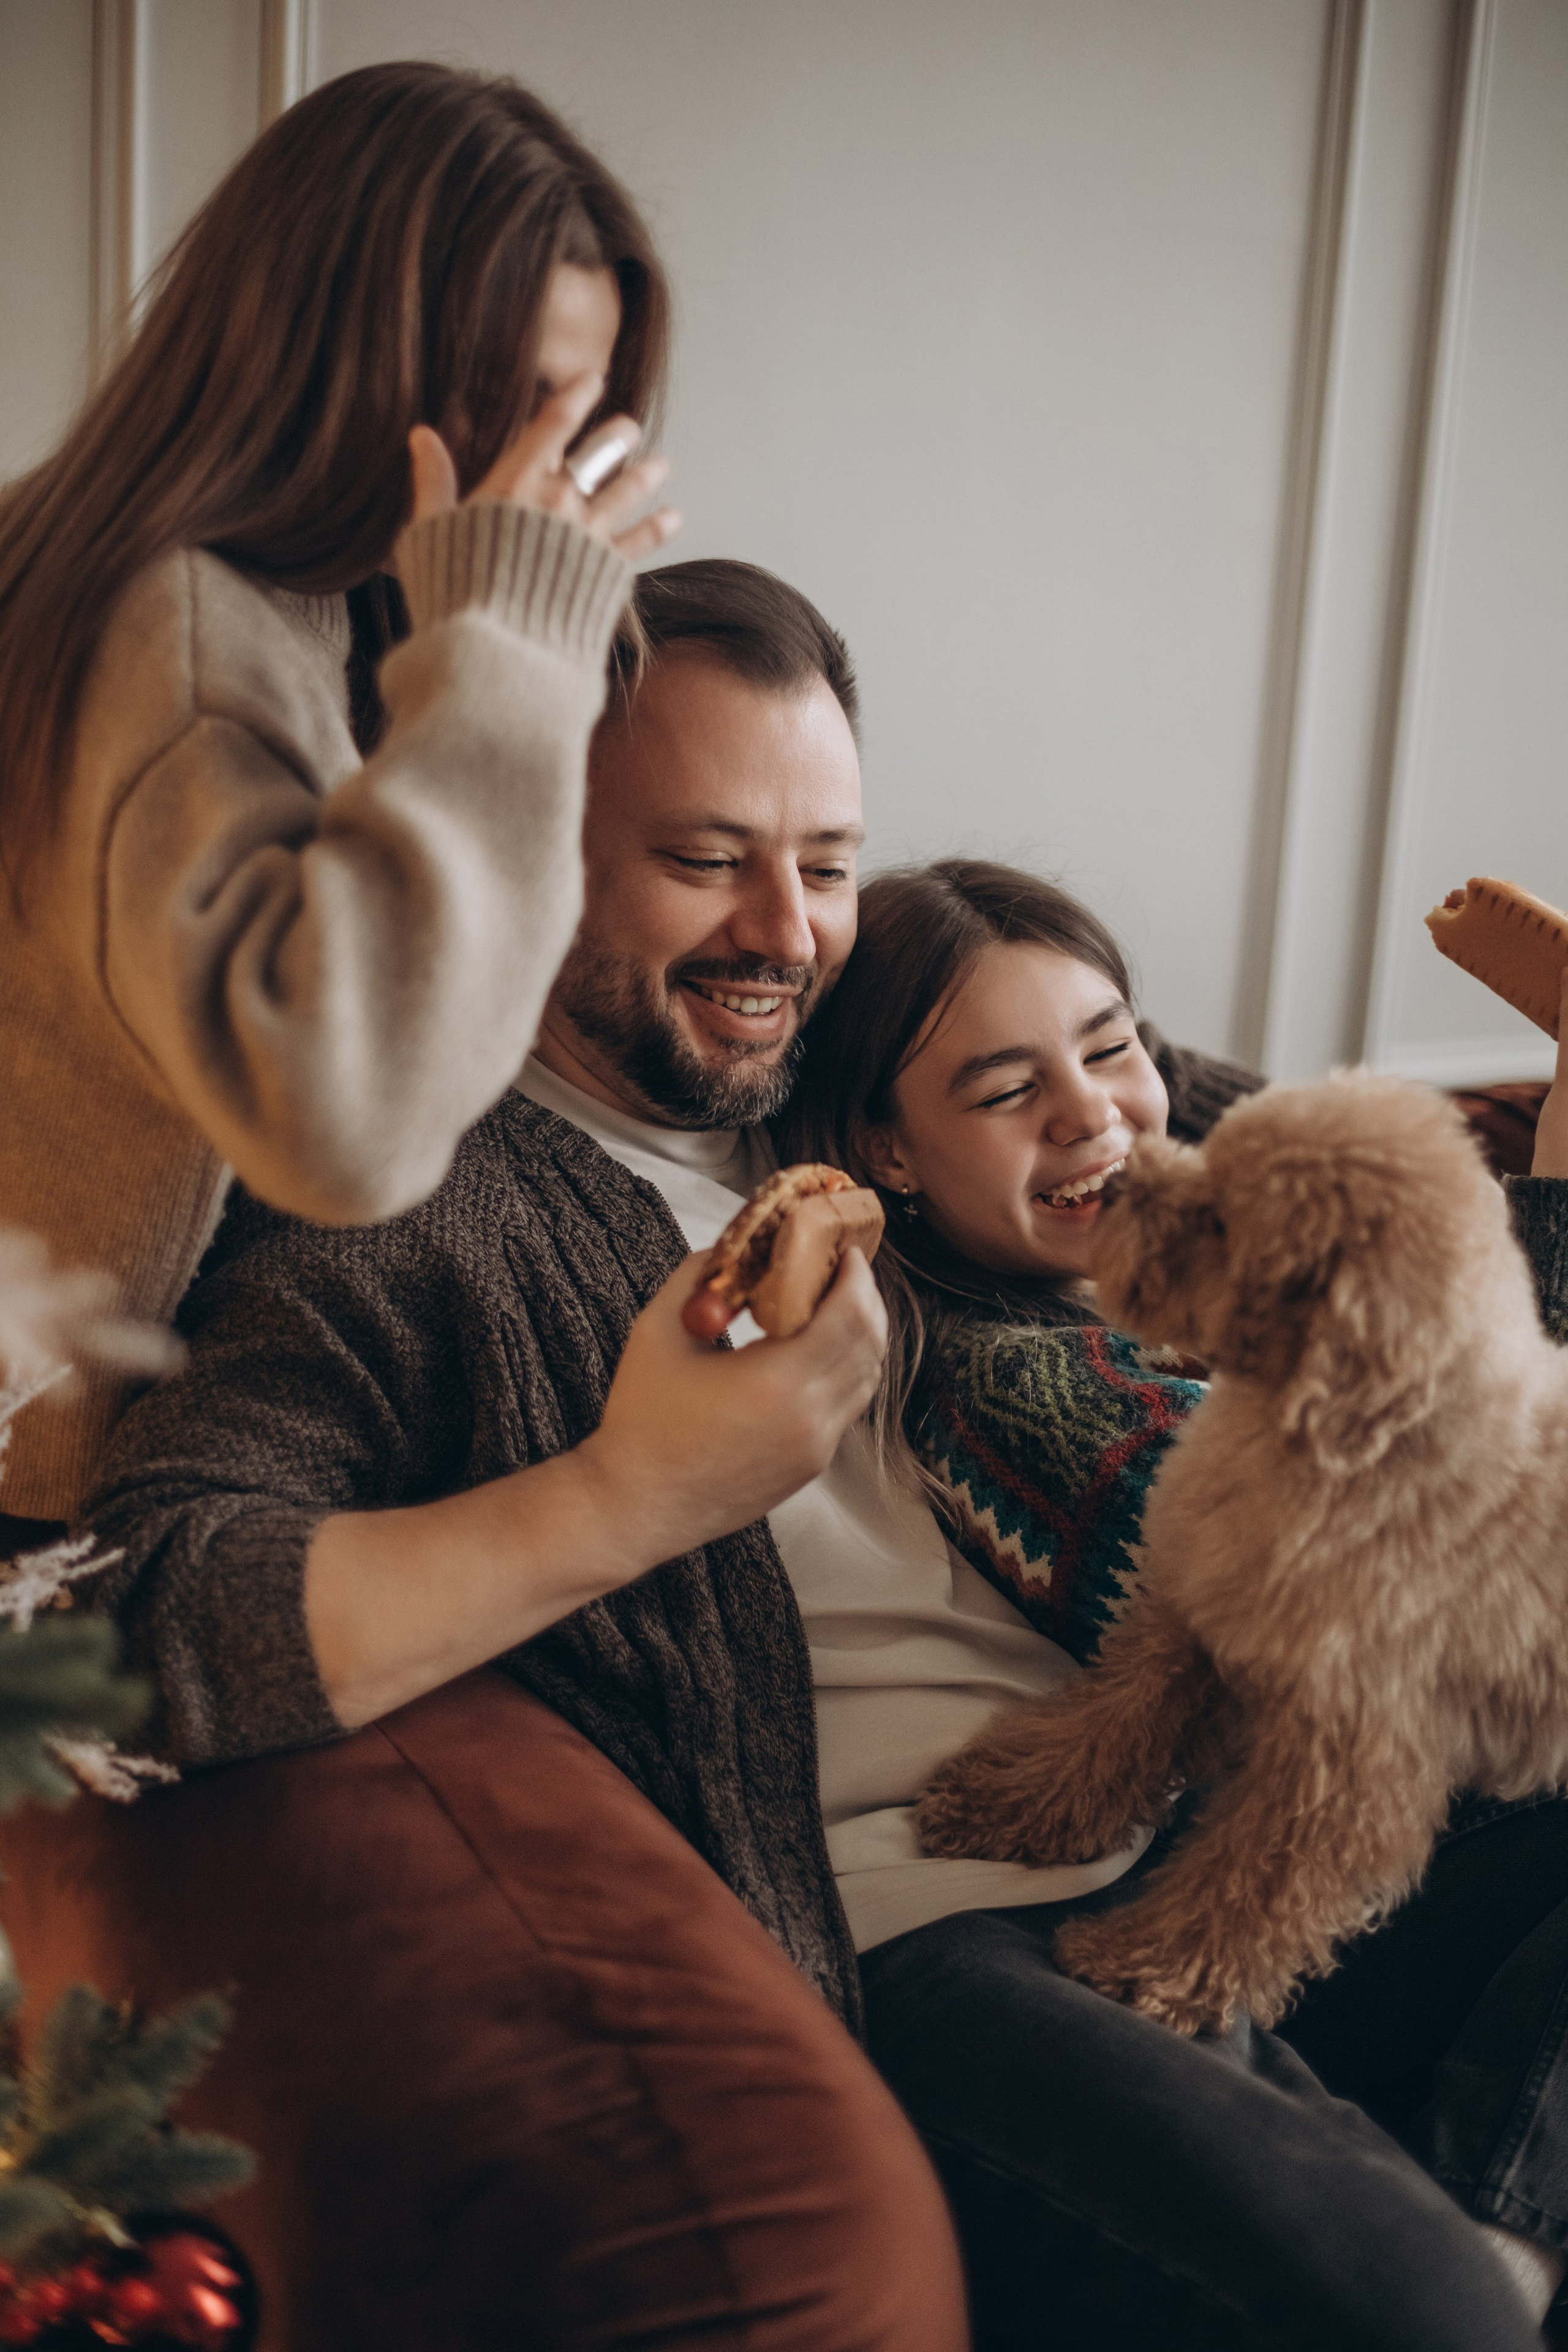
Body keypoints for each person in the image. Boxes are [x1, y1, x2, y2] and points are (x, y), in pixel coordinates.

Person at [79, 559, 1555, 2350]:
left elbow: (1293, 1181)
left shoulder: (886, 1036)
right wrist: (631, 1493)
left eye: (828, 860)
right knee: (1410, 2315)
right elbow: (129, 1630)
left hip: (1206, 1810)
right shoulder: (402, 1209)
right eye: (706, 861)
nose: (786, 929)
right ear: (526, 839)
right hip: (921, 1925)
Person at [782, 854, 1568, 2346]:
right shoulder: (1009, 1370)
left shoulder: (1209, 1233)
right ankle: (1499, 2225)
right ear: (887, 1146)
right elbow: (1317, 1610)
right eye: (1004, 1089)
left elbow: (1197, 1123)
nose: (1091, 1114)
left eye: (1111, 1043)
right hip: (1264, 1838)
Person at [0, 60, 678, 1534]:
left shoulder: (210, 583)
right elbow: (347, 1125)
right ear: (340, 353)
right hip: (30, 1494)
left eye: (581, 414)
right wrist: (506, 653)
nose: (540, 474)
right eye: (508, 404)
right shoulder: (181, 639)